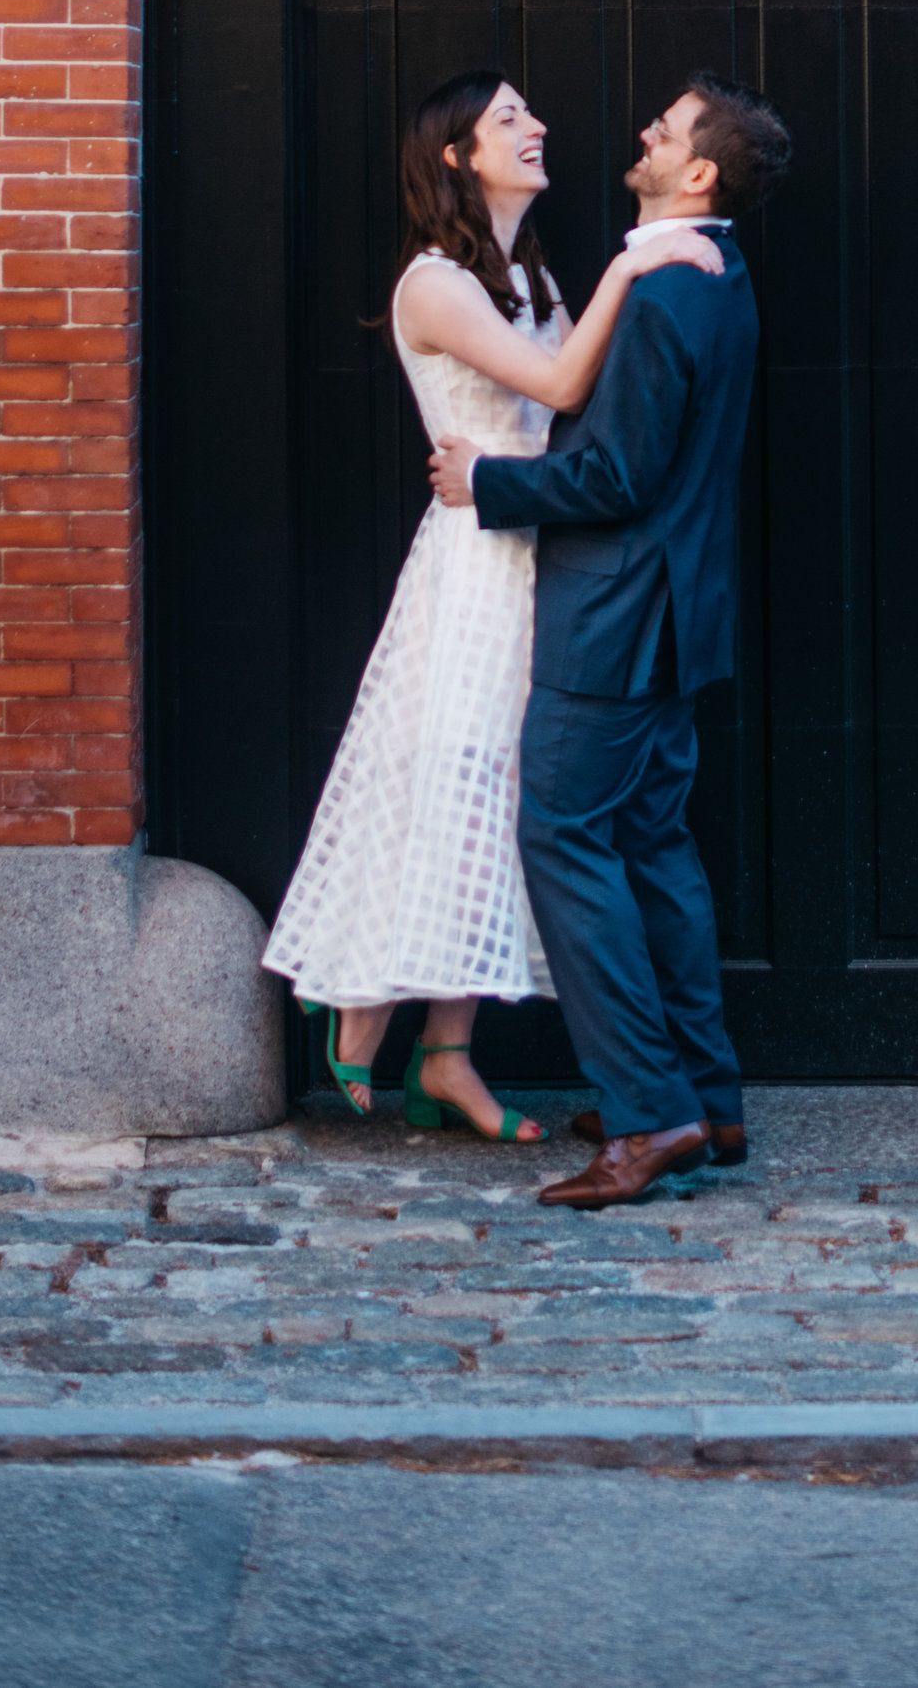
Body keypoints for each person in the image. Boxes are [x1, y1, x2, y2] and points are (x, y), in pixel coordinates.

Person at [262, 70, 725, 1140]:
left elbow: (585, 401)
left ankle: (446, 1053)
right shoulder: (434, 283)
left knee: (501, 802)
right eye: (508, 117)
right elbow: (561, 386)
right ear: (456, 156)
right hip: (475, 570)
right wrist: (641, 254)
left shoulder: (531, 275)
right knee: (456, 778)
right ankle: (366, 995)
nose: (537, 126)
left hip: (541, 554)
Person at [428, 71, 792, 1209]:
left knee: (564, 841)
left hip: (614, 617)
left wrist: (483, 478)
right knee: (652, 844)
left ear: (698, 173)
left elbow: (614, 474)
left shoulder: (663, 294)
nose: (643, 127)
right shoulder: (717, 275)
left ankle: (649, 1114)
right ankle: (710, 1097)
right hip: (677, 617)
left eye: (666, 127)